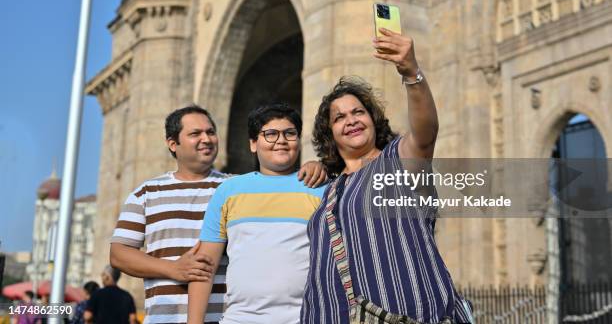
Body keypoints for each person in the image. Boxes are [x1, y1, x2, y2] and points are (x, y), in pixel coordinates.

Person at [301, 27, 474, 323]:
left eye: (358, 112)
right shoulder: (329, 189)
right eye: (339, 117)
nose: (351, 120)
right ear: (329, 133)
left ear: (372, 119)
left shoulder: (397, 161)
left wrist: (411, 73)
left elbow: (425, 132)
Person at [110, 105, 325, 324]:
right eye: (195, 134)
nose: (206, 139)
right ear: (173, 144)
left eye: (211, 132)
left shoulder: (234, 187)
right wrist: (174, 269)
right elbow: (119, 254)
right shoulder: (147, 193)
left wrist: (317, 166)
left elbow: (276, 180)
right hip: (164, 316)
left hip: (226, 316)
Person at [187, 104, 327, 324]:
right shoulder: (228, 191)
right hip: (240, 318)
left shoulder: (321, 189)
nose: (281, 140)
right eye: (270, 134)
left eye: (290, 133)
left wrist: (324, 167)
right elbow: (204, 266)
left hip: (307, 317)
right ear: (253, 144)